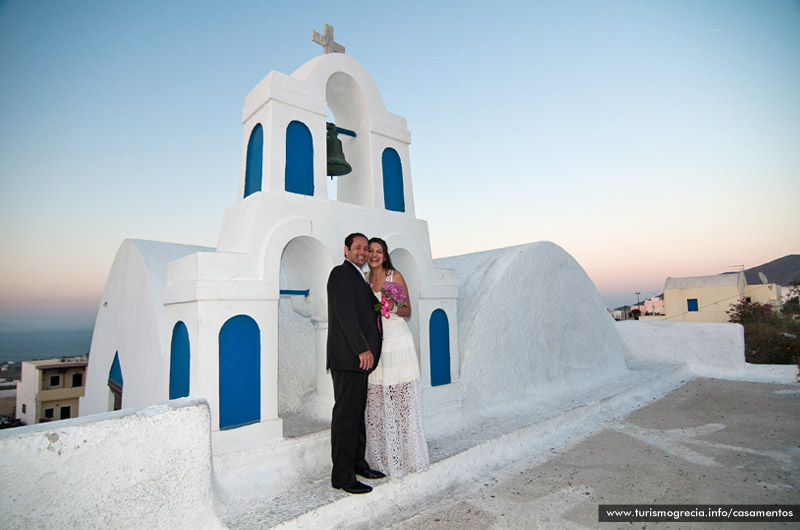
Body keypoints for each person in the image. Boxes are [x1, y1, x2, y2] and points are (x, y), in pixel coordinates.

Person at [364, 237, 430, 478]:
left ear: (385, 254)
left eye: (378, 251)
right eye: (370, 251)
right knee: (378, 403)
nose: (374, 255)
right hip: (378, 345)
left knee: (401, 402)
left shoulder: (395, 276)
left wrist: (390, 306)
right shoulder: (365, 279)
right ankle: (383, 458)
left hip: (399, 342)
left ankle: (407, 457)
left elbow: (408, 310)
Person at [326, 233, 387, 494]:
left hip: (358, 361)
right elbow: (346, 316)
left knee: (356, 414)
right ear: (346, 250)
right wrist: (363, 348)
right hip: (349, 357)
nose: (363, 252)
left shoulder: (358, 276)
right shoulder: (341, 274)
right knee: (345, 417)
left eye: (366, 248)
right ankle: (342, 475)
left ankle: (357, 463)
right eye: (358, 248)